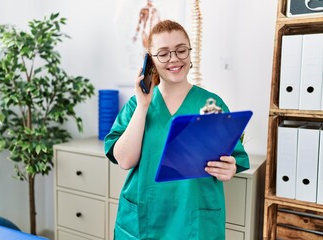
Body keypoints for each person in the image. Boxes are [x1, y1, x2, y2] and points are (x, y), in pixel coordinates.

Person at [104, 20, 250, 240]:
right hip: (145, 218)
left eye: (181, 50)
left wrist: (228, 169)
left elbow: (232, 158)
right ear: (150, 60)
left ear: (190, 53)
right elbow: (125, 161)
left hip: (193, 221)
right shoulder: (136, 105)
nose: (174, 59)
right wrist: (143, 105)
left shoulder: (211, 104)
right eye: (163, 53)